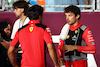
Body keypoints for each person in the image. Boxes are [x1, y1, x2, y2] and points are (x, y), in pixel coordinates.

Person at [11, 1, 30, 66]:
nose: (14, 11)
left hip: (29, 54)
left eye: (16, 9)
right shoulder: (16, 22)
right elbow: (13, 39)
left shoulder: (30, 21)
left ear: (22, 10)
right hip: (19, 54)